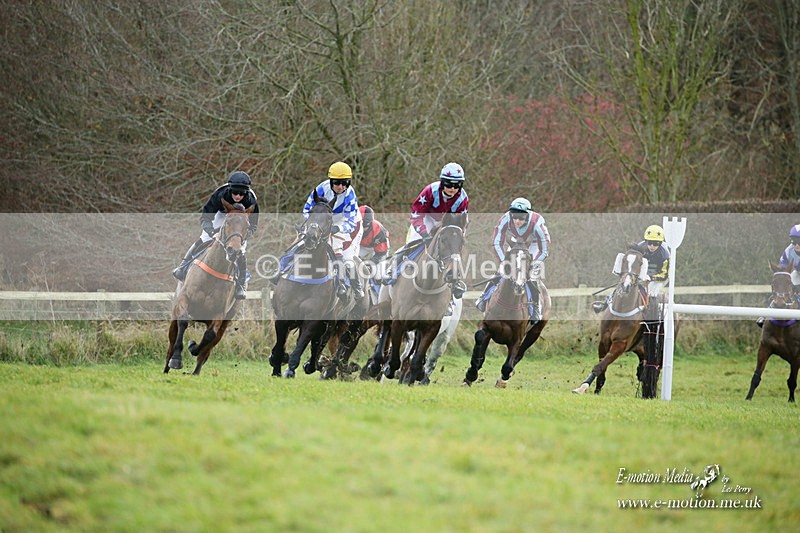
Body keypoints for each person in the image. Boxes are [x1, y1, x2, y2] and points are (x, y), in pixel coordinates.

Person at [384, 162, 469, 298]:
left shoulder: (463, 198)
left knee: (454, 251)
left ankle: (456, 282)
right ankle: (393, 269)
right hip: (425, 220)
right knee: (411, 244)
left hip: (446, 225)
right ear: (442, 183)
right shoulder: (430, 191)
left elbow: (461, 222)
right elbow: (416, 214)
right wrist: (424, 234)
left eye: (457, 185)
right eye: (449, 184)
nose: (452, 189)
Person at [172, 170, 259, 300]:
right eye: (235, 192)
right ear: (230, 190)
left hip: (239, 223)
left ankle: (240, 285)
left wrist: (242, 236)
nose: (238, 196)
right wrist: (212, 232)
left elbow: (253, 225)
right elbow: (205, 218)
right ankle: (183, 267)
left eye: (242, 194)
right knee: (203, 239)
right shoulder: (219, 195)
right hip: (219, 216)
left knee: (241, 250)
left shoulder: (251, 201)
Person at [475, 197, 550, 323]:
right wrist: (504, 261)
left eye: (521, 218)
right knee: (501, 270)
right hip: (517, 243)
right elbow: (496, 243)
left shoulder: (536, 222)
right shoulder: (505, 219)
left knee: (531, 276)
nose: (517, 221)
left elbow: (545, 248)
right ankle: (484, 297)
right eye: (514, 217)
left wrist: (533, 264)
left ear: (528, 215)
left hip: (534, 245)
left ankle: (535, 308)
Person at [303, 161, 364, 299]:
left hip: (342, 221)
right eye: (337, 182)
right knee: (302, 240)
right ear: (331, 181)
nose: (341, 187)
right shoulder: (320, 189)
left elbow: (351, 222)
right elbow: (306, 210)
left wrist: (337, 228)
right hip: (321, 219)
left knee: (341, 252)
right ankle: (281, 269)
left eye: (345, 183)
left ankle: (351, 284)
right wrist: (314, 224)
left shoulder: (349, 195)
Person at [592, 224, 670, 313]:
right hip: (643, 274)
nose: (652, 246)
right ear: (646, 241)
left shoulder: (665, 255)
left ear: (660, 243)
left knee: (651, 293)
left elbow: (664, 275)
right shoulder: (640, 248)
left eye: (656, 243)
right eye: (650, 243)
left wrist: (651, 278)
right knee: (624, 284)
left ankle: (651, 313)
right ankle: (605, 303)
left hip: (659, 279)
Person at [756, 224, 800, 327]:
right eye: (794, 241)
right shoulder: (788, 251)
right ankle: (766, 314)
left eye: (799, 241)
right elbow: (782, 273)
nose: (797, 245)